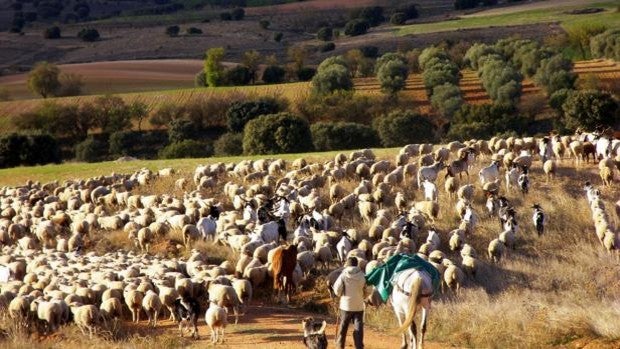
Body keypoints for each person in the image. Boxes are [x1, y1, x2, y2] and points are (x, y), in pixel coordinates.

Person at [333, 256, 367, 349]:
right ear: (356, 264)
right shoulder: (362, 275)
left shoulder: (343, 275)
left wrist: (340, 295)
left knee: (343, 327)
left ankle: (340, 346)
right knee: (358, 327)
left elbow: (337, 289)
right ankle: (359, 346)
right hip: (359, 306)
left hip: (346, 306)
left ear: (348, 264)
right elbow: (369, 288)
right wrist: (364, 296)